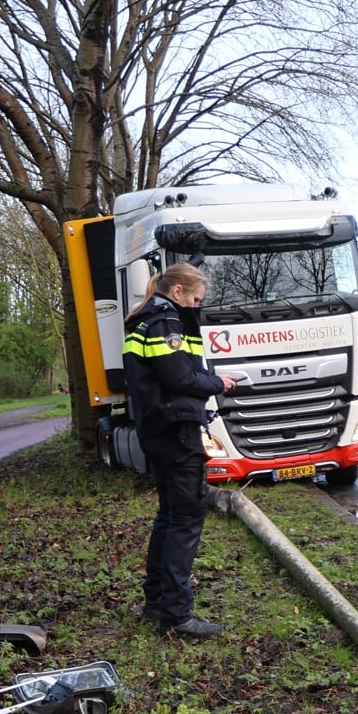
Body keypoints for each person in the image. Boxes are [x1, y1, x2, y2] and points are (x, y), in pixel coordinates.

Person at [122, 263, 237, 639]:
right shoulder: (165, 322)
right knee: (186, 519)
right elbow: (179, 378)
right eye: (195, 299)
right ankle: (176, 614)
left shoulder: (144, 320)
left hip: (158, 431)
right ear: (178, 293)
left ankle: (157, 604)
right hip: (175, 434)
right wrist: (218, 382)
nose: (196, 306)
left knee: (170, 518)